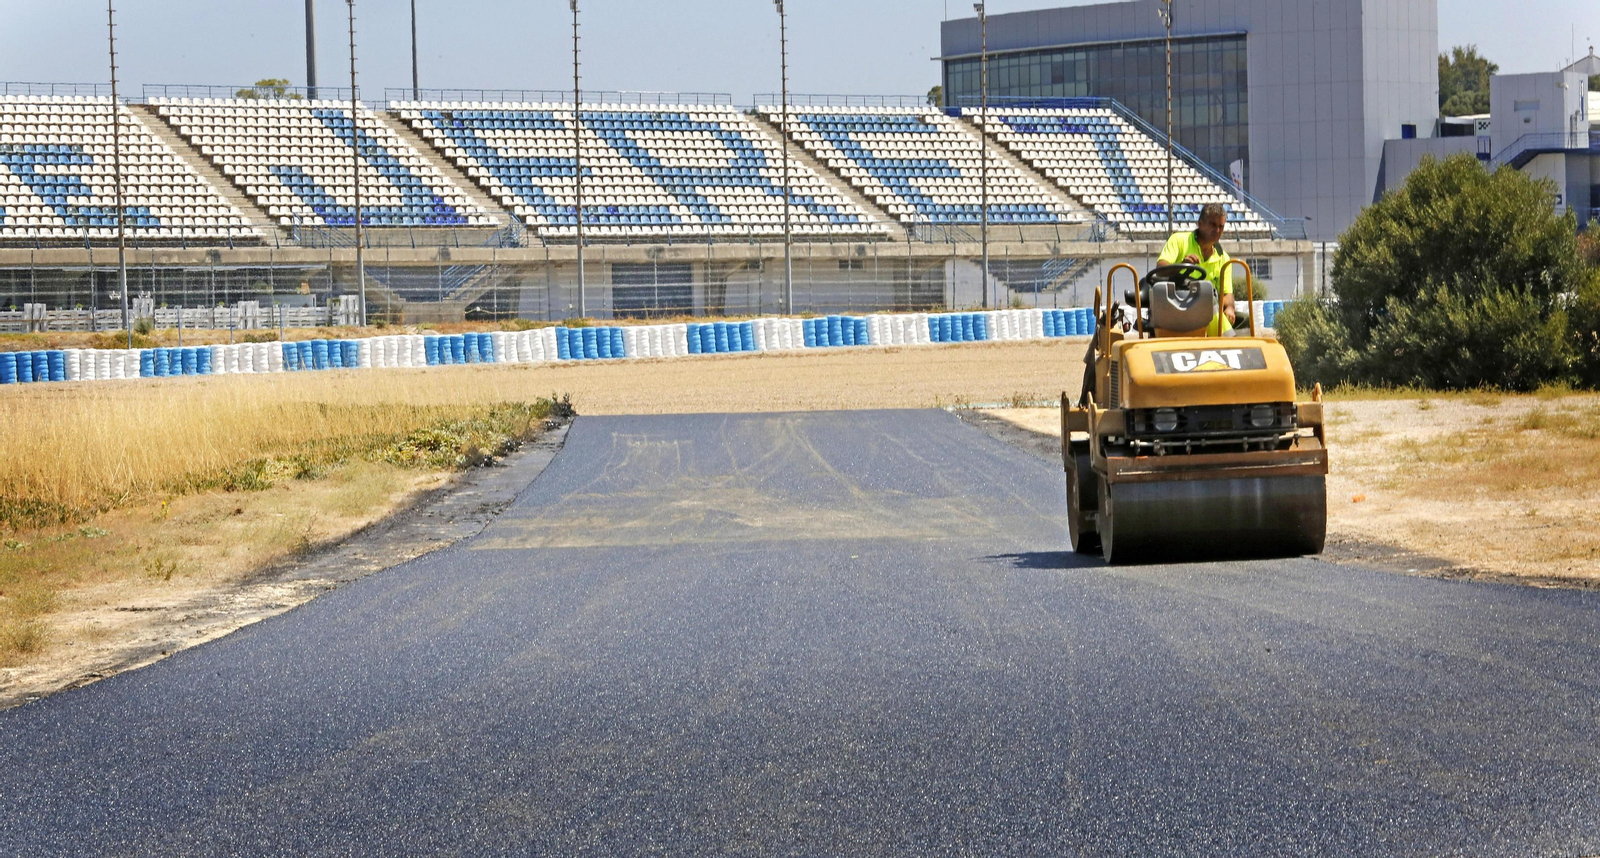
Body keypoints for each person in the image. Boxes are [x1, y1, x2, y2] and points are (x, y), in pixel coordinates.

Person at [1157, 203, 1234, 336]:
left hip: (1210, 308)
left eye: (1221, 226)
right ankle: (1229, 343)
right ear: (1200, 223)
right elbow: (1161, 268)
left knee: (1244, 320)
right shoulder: (1179, 240)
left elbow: (1227, 294)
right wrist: (1181, 265)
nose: (1217, 230)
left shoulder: (1224, 258)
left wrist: (1230, 308)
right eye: (1212, 225)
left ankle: (1246, 352)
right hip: (1177, 304)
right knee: (1208, 299)